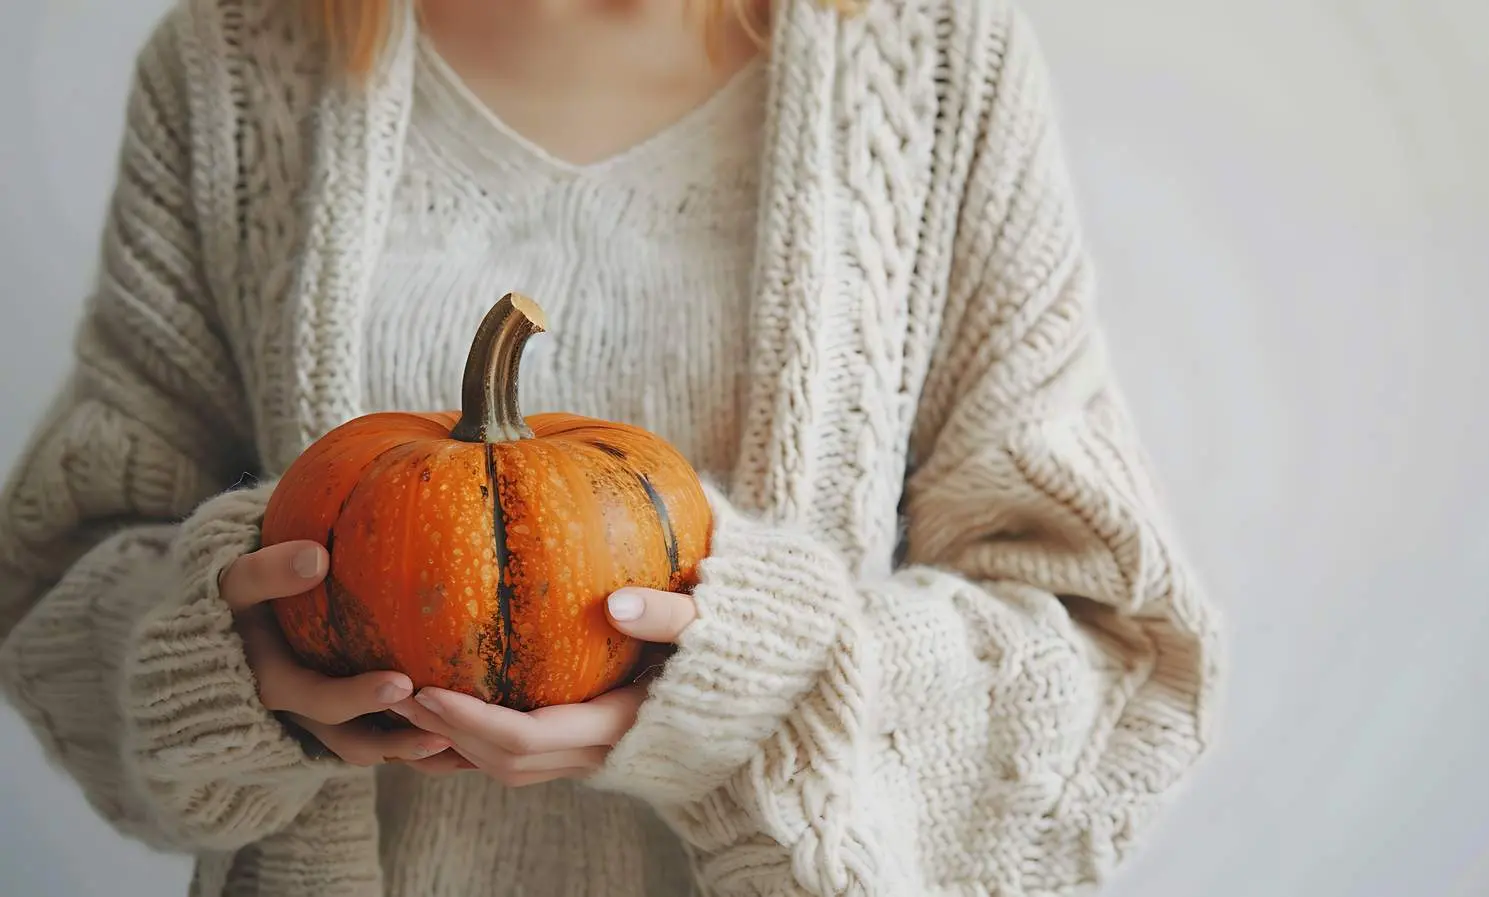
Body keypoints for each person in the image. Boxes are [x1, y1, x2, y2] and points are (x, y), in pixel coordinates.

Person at [0, 0, 1221, 894]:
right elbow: (57, 577)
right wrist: (220, 662)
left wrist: (769, 694)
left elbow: (1113, 652)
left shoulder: (937, 65)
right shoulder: (228, 65)